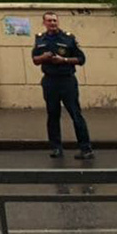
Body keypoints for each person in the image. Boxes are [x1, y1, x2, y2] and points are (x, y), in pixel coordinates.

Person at [31, 11, 93, 159]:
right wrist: (43, 57)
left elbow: (81, 59)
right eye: (49, 21)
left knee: (75, 114)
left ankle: (86, 149)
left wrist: (64, 60)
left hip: (67, 80)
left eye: (54, 21)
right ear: (44, 23)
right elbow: (34, 59)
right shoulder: (40, 39)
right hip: (50, 81)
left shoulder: (68, 38)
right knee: (52, 115)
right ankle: (56, 148)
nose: (52, 23)